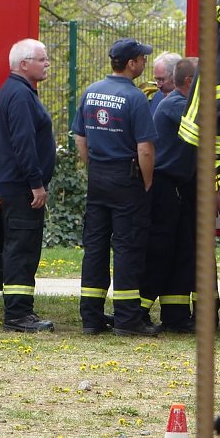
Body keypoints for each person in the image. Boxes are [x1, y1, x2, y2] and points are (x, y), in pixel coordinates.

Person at [71, 37, 159, 336]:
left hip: (98, 176)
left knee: (94, 247)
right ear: (131, 63)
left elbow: (80, 139)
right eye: (142, 58)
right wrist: (146, 182)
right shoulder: (135, 98)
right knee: (127, 248)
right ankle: (126, 320)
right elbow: (145, 149)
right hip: (127, 179)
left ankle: (91, 319)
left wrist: (93, 167)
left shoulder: (91, 92)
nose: (145, 62)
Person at [0, 39, 56, 333]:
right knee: (22, 249)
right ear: (23, 64)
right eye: (42, 59)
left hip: (18, 185)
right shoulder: (19, 95)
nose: (47, 64)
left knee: (23, 247)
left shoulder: (20, 92)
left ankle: (21, 311)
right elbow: (23, 143)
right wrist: (36, 184)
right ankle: (18, 315)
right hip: (22, 187)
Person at [140, 57, 201, 333]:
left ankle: (176, 316)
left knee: (181, 252)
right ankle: (136, 311)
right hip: (165, 186)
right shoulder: (177, 106)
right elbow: (206, 128)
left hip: (178, 188)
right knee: (159, 251)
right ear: (190, 82)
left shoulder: (180, 103)